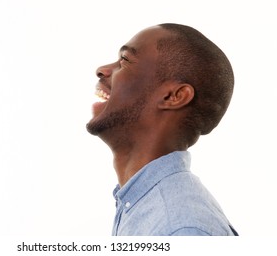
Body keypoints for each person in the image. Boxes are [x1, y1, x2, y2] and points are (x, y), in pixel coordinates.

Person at [86, 23, 238, 236]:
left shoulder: (180, 229)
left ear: (173, 96)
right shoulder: (139, 204)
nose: (102, 70)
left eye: (125, 60)